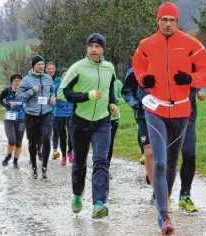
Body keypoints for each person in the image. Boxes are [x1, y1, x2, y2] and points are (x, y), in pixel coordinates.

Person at [132, 2, 206, 234]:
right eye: (163, 20)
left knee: (170, 163)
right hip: (155, 109)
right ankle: (164, 216)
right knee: (159, 161)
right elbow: (137, 67)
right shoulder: (146, 45)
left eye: (172, 20)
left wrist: (190, 79)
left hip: (181, 110)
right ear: (157, 21)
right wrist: (143, 78)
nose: (167, 24)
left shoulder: (191, 44)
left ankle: (164, 206)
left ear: (177, 22)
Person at [58, 33, 118, 219]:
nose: (94, 50)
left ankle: (99, 203)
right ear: (86, 48)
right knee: (80, 162)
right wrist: (87, 96)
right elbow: (62, 92)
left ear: (103, 49)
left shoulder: (109, 68)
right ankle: (77, 194)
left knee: (101, 161)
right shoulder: (77, 68)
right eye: (91, 46)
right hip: (80, 121)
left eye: (98, 46)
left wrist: (112, 103)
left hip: (102, 121)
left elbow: (110, 90)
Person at [16, 55, 56, 179]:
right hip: (31, 115)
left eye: (43, 64)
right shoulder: (27, 80)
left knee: (46, 138)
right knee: (32, 142)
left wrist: (52, 98)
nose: (41, 67)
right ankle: (34, 167)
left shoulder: (48, 78)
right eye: (39, 64)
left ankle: (44, 167)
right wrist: (32, 91)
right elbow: (18, 96)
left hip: (46, 113)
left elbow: (52, 91)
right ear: (33, 65)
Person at [121, 68, 155, 203]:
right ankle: (156, 191)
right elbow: (126, 90)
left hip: (162, 113)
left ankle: (160, 182)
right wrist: (133, 103)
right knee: (148, 151)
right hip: (142, 114)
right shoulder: (135, 70)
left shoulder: (164, 63)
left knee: (161, 151)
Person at [177, 87, 205, 213]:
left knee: (189, 154)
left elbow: (200, 76)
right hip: (167, 116)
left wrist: (202, 90)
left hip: (189, 116)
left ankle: (185, 194)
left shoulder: (192, 67)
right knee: (166, 158)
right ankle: (162, 195)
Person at [0, 74, 26, 169]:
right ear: (12, 82)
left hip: (21, 119)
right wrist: (7, 106)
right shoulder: (7, 90)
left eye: (19, 81)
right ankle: (8, 156)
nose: (17, 82)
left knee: (19, 142)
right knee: (12, 139)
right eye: (15, 81)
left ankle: (15, 161)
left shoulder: (24, 92)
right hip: (9, 119)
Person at [54, 67, 74, 166]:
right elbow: (51, 100)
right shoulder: (56, 87)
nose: (66, 77)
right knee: (62, 136)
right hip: (59, 113)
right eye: (64, 75)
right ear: (61, 76)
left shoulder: (73, 86)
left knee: (71, 134)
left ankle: (70, 152)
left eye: (67, 75)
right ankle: (64, 156)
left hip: (70, 111)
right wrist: (54, 99)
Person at [107, 75, 125, 179]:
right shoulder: (100, 81)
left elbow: (124, 97)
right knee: (101, 144)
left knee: (110, 143)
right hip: (101, 117)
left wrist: (116, 100)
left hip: (114, 117)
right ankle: (100, 167)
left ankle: (107, 167)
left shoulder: (118, 83)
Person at [46, 62, 62, 160]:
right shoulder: (43, 80)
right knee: (46, 132)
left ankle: (55, 152)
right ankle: (42, 150)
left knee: (56, 132)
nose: (51, 70)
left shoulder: (59, 80)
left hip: (56, 110)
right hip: (45, 110)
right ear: (46, 70)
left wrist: (57, 98)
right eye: (49, 69)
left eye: (53, 68)